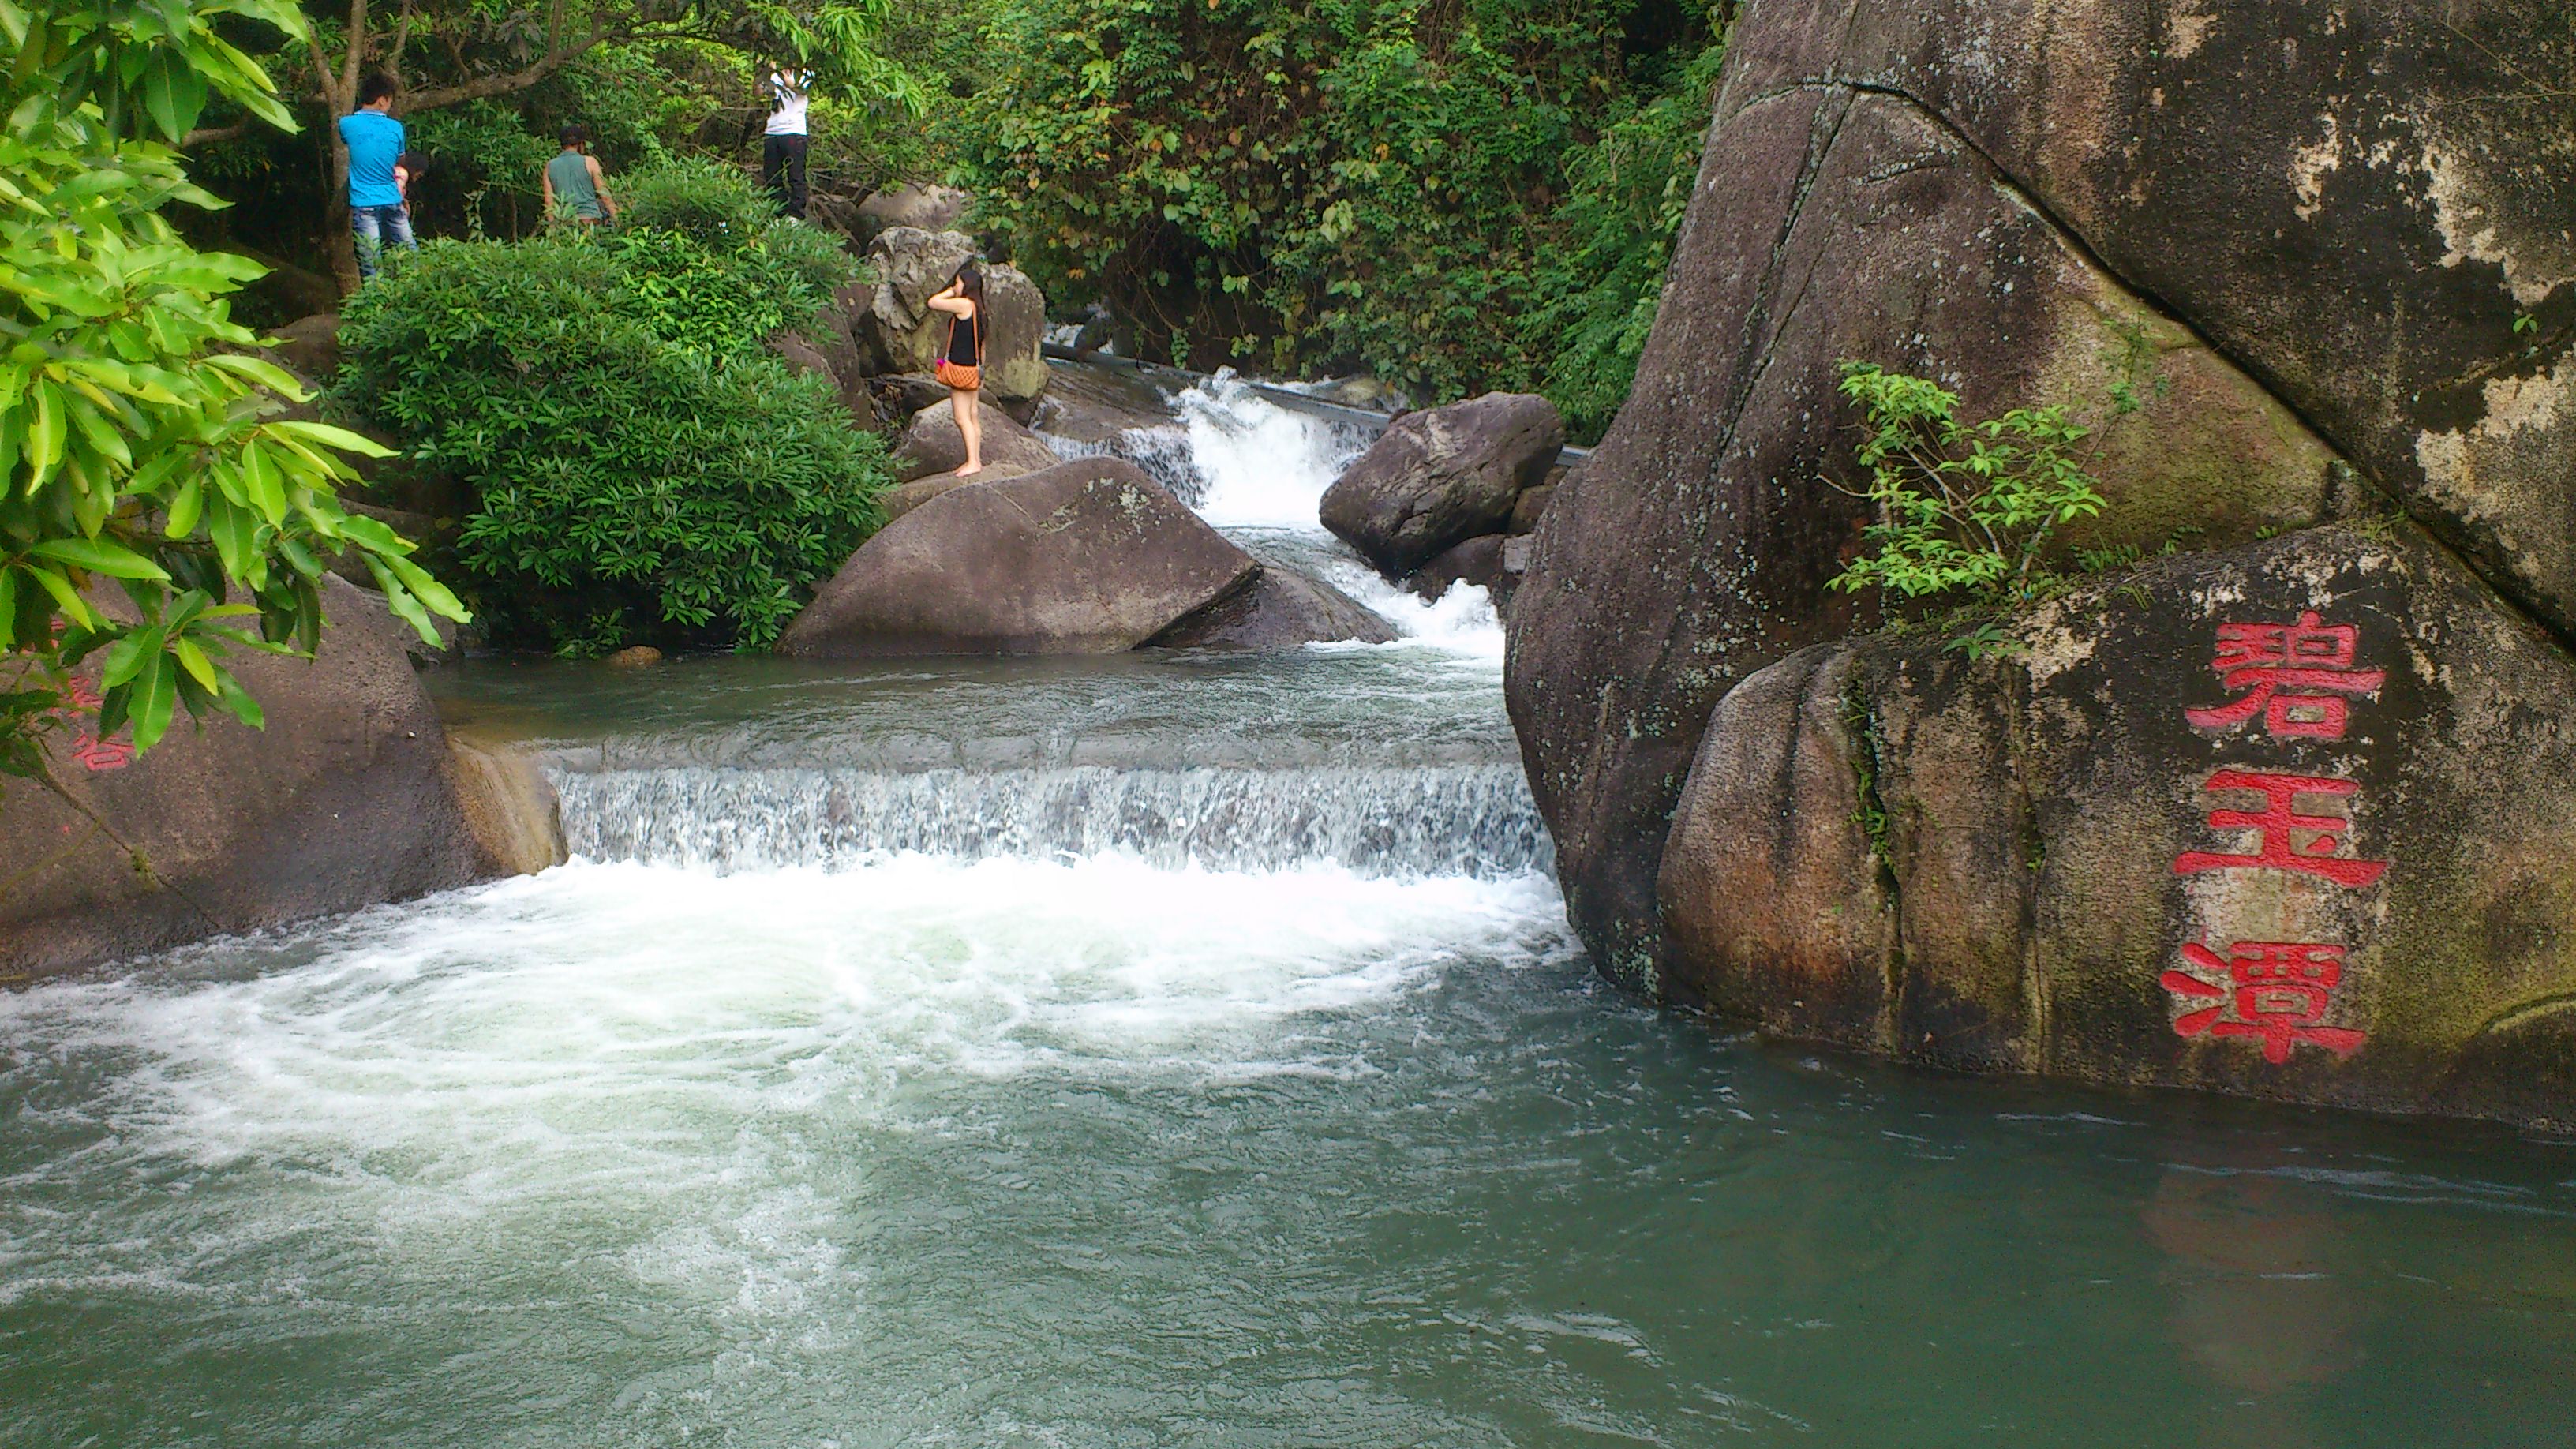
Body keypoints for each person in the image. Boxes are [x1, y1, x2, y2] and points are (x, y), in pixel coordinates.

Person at [338, 75, 412, 282]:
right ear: (382, 100)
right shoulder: (396, 128)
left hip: (364, 203)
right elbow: (400, 159)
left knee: (371, 265)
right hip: (392, 199)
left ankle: (375, 310)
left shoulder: (346, 124)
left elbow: (345, 140)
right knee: (411, 256)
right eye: (390, 100)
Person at [927, 263, 987, 477]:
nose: (955, 286)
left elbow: (933, 302)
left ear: (966, 285)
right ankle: (975, 459)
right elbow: (981, 344)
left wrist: (951, 292)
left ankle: (973, 462)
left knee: (962, 418)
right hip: (972, 369)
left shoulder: (964, 305)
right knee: (973, 415)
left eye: (958, 283)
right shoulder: (980, 310)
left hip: (960, 369)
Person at [762, 64, 813, 220]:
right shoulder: (773, 74)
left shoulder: (806, 72)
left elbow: (801, 90)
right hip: (772, 130)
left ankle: (796, 215)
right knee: (772, 176)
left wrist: (788, 80)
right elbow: (758, 92)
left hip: (794, 131)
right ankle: (777, 213)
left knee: (796, 175)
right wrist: (764, 73)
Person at [543, 125, 617, 227]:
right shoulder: (590, 162)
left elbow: (548, 201)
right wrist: (617, 218)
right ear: (581, 144)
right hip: (590, 220)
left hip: (565, 222)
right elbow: (605, 195)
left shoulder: (550, 166)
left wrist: (552, 226)